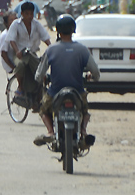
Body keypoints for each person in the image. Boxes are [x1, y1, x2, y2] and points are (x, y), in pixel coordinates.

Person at [33, 15, 100, 147]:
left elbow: (38, 75)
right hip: (77, 92)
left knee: (43, 110)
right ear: (73, 30)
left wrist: (43, 78)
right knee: (85, 111)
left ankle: (50, 132)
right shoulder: (82, 50)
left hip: (55, 93)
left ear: (58, 31)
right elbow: (96, 73)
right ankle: (83, 131)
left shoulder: (51, 50)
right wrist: (92, 77)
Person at [5, 1, 51, 106]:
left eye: (31, 14)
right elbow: (11, 39)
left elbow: (45, 37)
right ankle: (20, 87)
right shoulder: (16, 24)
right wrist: (17, 51)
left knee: (41, 71)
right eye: (27, 14)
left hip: (33, 54)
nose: (29, 16)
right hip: (20, 54)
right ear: (22, 14)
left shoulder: (37, 24)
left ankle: (39, 95)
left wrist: (52, 47)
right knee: (20, 65)